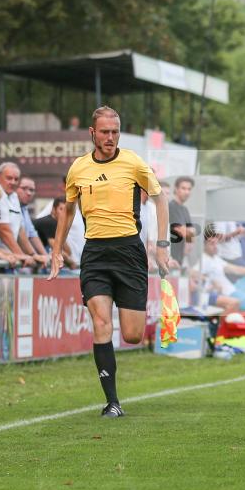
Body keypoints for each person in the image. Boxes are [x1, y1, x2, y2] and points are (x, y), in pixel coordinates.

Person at [48, 105, 171, 418]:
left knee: (131, 334)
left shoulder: (133, 162)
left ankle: (116, 385)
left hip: (129, 252)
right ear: (92, 133)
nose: (110, 137)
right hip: (96, 254)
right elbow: (69, 210)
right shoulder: (78, 169)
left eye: (115, 132)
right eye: (104, 132)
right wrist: (57, 249)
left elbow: (160, 199)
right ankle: (112, 402)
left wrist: (162, 245)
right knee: (101, 322)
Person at [0, 162, 37, 268]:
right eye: (9, 178)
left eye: (16, 179)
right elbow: (4, 230)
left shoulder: (13, 195)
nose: (13, 182)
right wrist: (21, 255)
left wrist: (33, 255)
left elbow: (20, 230)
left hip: (10, 257)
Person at [33, 197, 78, 269]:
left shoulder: (57, 224)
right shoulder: (50, 222)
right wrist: (71, 263)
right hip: (26, 257)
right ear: (53, 210)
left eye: (67, 210)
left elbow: (67, 251)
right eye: (61, 209)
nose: (64, 212)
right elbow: (57, 250)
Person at [16, 177, 51, 271]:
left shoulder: (24, 208)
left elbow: (32, 235)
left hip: (22, 259)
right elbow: (20, 235)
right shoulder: (12, 206)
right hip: (10, 258)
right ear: (15, 188)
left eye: (31, 190)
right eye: (24, 188)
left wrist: (46, 257)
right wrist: (34, 255)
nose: (28, 193)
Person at [168, 176, 196, 269]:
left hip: (180, 259)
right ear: (176, 189)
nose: (187, 192)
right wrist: (189, 234)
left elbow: (191, 234)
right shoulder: (171, 207)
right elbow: (183, 231)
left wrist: (189, 235)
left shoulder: (185, 210)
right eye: (183, 188)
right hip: (169, 259)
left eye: (189, 189)